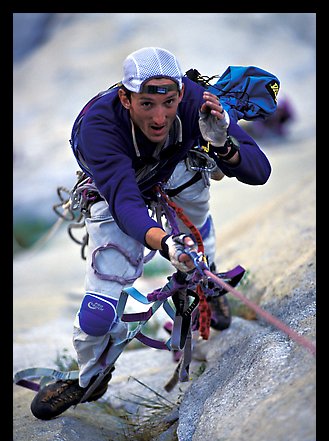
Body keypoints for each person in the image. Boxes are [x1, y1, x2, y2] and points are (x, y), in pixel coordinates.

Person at [30, 47, 271, 420]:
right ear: (125, 98)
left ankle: (206, 276)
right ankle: (89, 379)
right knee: (97, 312)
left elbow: (259, 171)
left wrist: (223, 145)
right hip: (115, 187)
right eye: (146, 104)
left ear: (179, 94)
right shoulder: (99, 127)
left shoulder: (195, 103)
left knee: (193, 193)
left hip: (176, 165)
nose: (159, 117)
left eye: (168, 103)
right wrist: (165, 242)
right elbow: (126, 204)